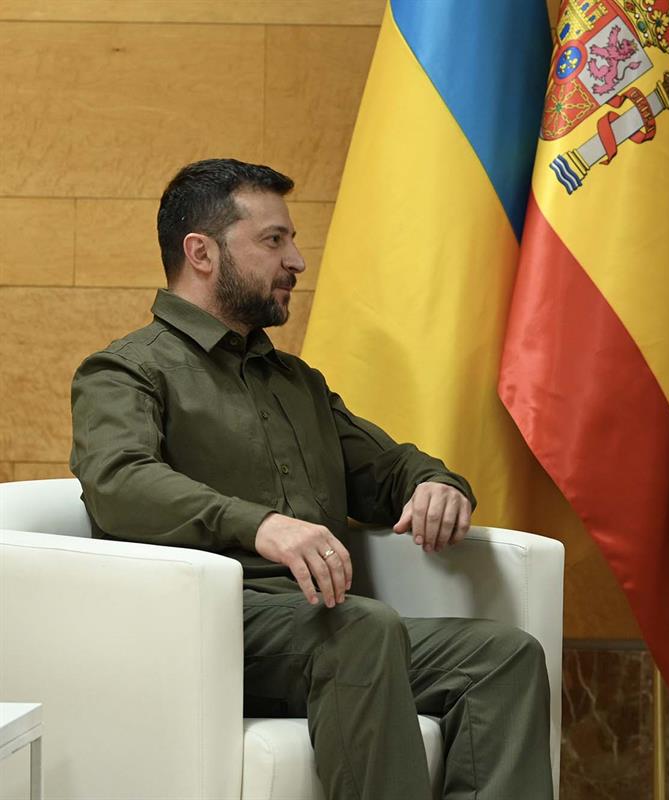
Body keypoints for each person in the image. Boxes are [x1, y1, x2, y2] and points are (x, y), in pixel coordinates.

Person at [70, 158, 553, 800]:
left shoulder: (296, 382)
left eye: (291, 241)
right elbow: (118, 483)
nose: (296, 260)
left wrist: (438, 485)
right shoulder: (123, 372)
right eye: (274, 240)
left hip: (327, 623)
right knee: (361, 627)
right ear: (202, 253)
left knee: (504, 657)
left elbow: (389, 470)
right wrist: (260, 525)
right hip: (206, 627)